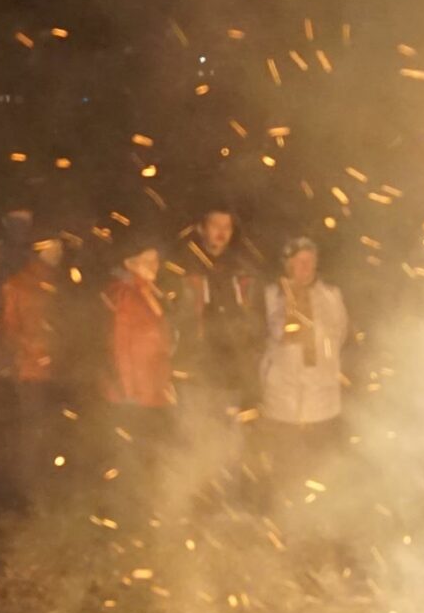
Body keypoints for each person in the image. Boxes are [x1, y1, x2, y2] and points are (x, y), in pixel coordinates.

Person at [259, 235, 349, 493]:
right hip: (283, 401)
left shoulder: (331, 295)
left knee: (321, 471)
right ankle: (284, 524)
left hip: (322, 402)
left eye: (310, 261)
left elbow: (340, 335)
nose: (305, 267)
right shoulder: (271, 296)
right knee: (285, 470)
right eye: (299, 262)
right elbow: (268, 335)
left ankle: (317, 523)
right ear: (287, 264)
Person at [103, 240, 177, 505]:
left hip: (153, 391)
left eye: (155, 260)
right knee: (131, 458)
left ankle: (146, 511)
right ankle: (127, 513)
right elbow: (119, 346)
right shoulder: (124, 294)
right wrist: (128, 391)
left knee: (149, 456)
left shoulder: (150, 292)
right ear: (129, 262)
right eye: (146, 260)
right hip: (133, 394)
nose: (153, 266)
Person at [176, 206, 261, 420]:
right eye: (215, 225)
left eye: (227, 227)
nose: (222, 232)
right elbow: (172, 320)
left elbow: (258, 320)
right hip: (195, 372)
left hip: (233, 373)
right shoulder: (183, 269)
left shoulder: (244, 271)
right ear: (202, 228)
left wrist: (251, 354)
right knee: (194, 440)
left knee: (230, 441)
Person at [0, 233, 68, 485]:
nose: (58, 254)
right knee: (31, 428)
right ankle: (26, 485)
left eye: (60, 250)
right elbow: (9, 328)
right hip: (28, 370)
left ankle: (45, 481)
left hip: (54, 369)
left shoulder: (59, 282)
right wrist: (31, 352)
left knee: (50, 428)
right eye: (54, 249)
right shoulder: (18, 284)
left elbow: (65, 325)